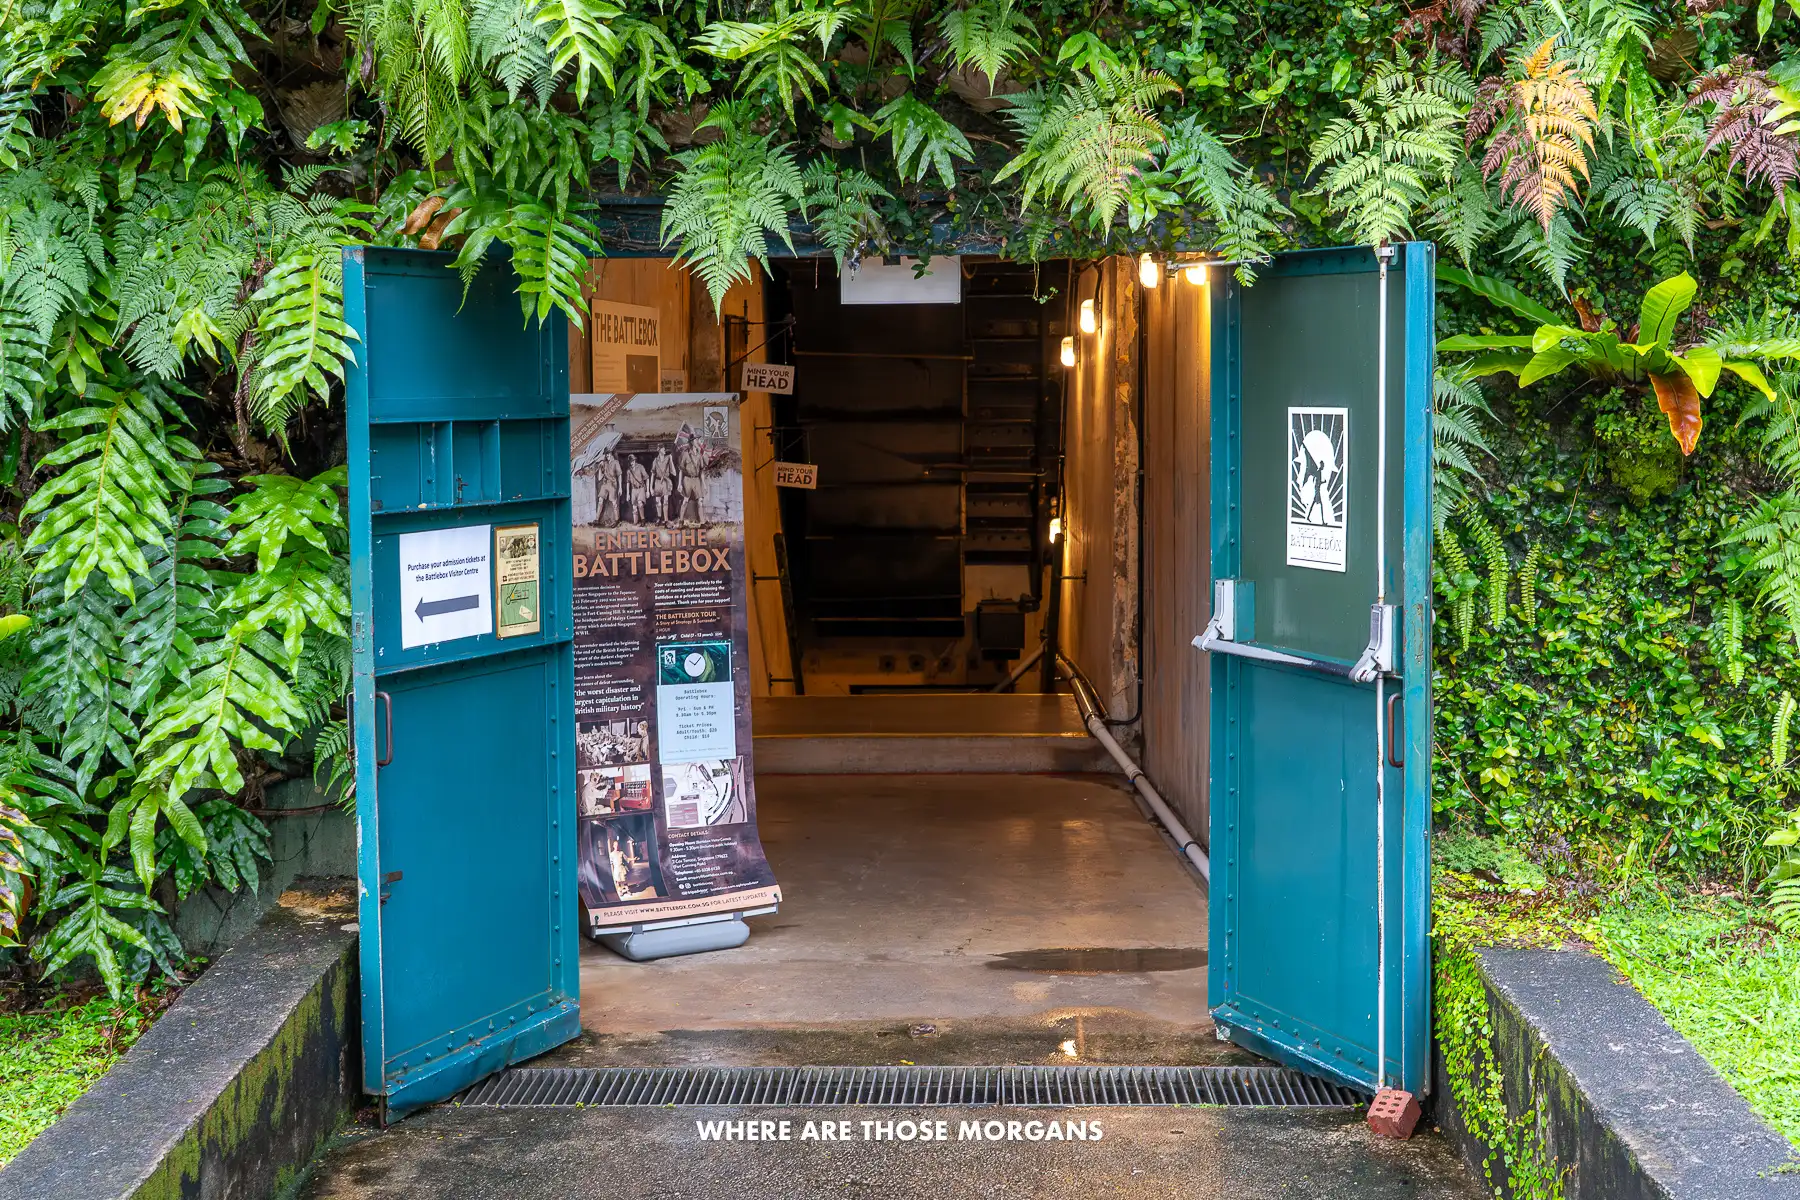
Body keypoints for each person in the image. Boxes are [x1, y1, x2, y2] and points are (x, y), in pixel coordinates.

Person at [676, 437, 707, 525]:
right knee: (685, 500)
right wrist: (679, 484)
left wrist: (704, 485)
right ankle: (681, 521)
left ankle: (702, 523)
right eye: (696, 440)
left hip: (696, 479)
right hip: (687, 479)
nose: (698, 442)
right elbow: (681, 470)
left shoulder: (699, 455)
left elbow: (701, 471)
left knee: (700, 500)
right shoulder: (685, 454)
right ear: (692, 442)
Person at [650, 444, 675, 524]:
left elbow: (674, 473)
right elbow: (653, 474)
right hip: (657, 482)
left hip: (666, 481)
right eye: (663, 448)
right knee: (658, 501)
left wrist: (671, 460)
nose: (664, 449)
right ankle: (659, 518)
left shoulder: (668, 458)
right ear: (659, 450)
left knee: (666, 501)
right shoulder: (655, 460)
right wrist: (651, 487)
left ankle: (666, 520)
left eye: (664, 448)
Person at [597, 452, 622, 527]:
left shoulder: (615, 462)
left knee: (614, 503)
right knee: (600, 501)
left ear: (611, 454)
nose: (607, 455)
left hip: (612, 484)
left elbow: (619, 475)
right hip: (605, 484)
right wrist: (599, 467)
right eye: (606, 454)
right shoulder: (605, 463)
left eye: (609, 454)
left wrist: (620, 487)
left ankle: (617, 520)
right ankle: (596, 519)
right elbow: (599, 478)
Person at [626, 454, 650, 525]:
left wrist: (647, 491)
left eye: (633, 461)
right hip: (633, 489)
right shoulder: (628, 471)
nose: (631, 462)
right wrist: (628, 494)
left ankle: (643, 520)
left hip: (641, 488)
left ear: (635, 460)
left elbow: (647, 478)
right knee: (634, 507)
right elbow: (628, 482)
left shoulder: (640, 467)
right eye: (630, 461)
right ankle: (635, 522)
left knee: (640, 504)